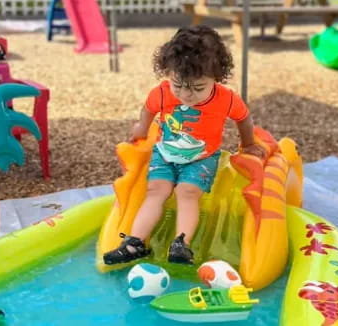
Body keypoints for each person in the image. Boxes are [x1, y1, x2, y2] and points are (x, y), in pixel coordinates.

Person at [103, 25, 266, 265]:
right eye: (177, 85)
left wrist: (248, 143)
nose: (186, 95)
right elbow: (148, 110)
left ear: (216, 77)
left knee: (186, 192)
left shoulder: (226, 98)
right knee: (155, 191)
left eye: (198, 88)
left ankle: (181, 243)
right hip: (165, 153)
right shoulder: (161, 93)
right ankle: (135, 242)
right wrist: (141, 128)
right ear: (168, 73)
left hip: (202, 157)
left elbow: (243, 118)